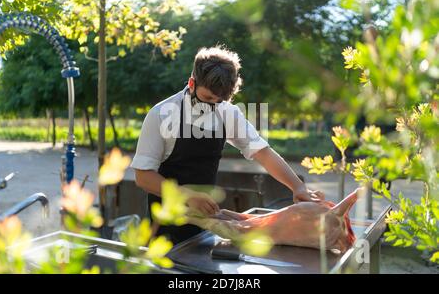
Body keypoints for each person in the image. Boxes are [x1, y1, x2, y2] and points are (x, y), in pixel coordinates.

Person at [130, 45, 325, 244]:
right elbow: (143, 176)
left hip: (205, 226)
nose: (212, 105)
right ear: (191, 83)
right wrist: (185, 195)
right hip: (163, 230)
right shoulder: (161, 114)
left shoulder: (228, 112)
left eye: (219, 100)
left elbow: (262, 153)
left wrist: (298, 187)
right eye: (207, 98)